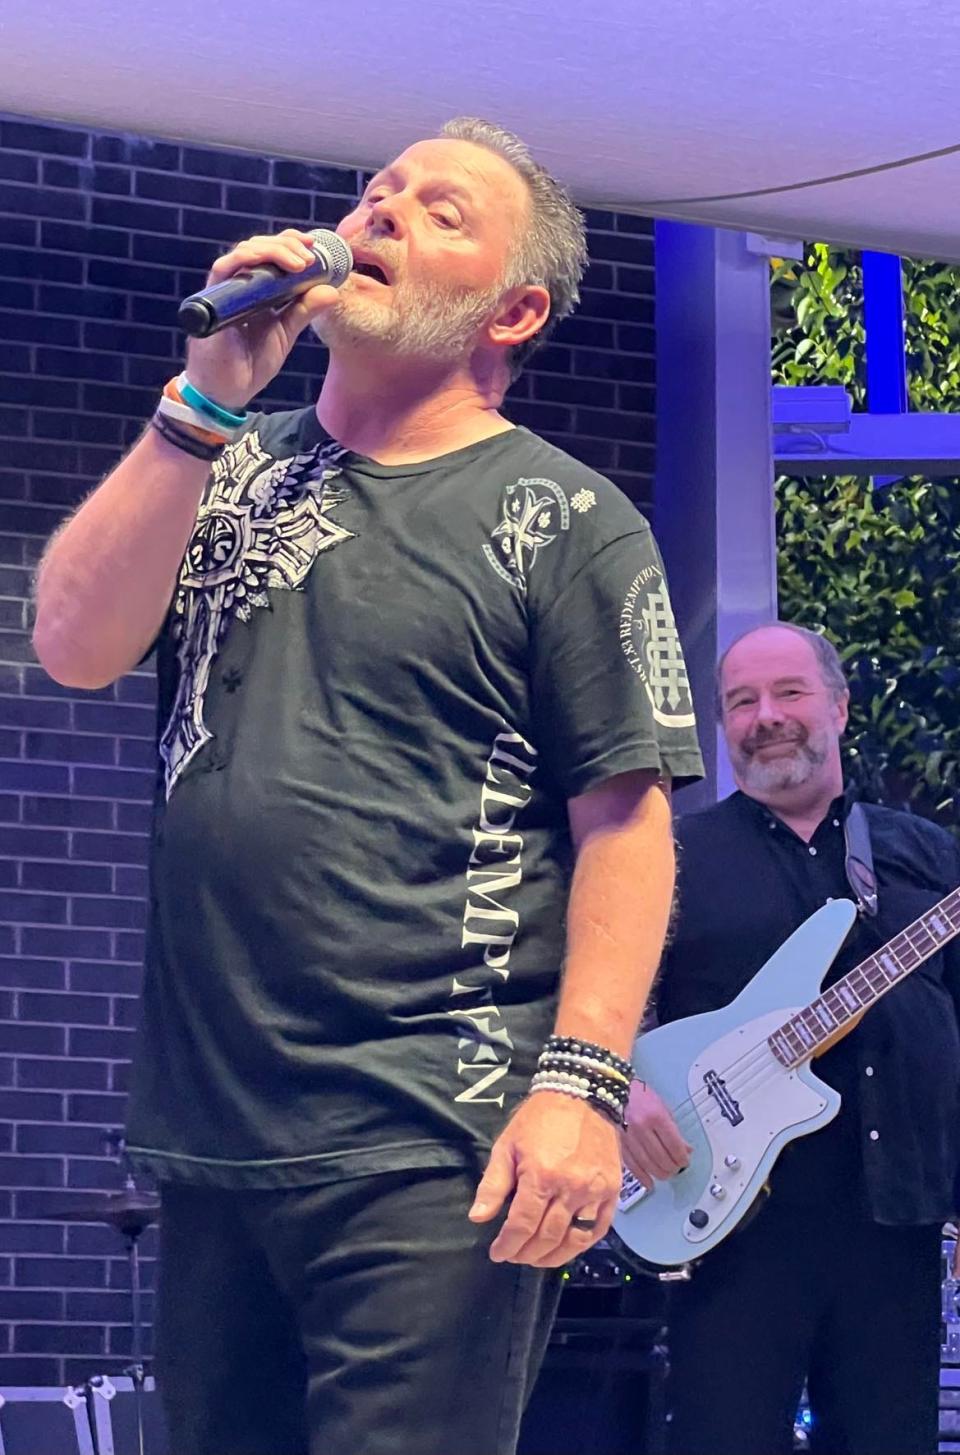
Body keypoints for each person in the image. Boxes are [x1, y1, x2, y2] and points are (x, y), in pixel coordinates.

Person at [32, 118, 703, 1455]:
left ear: (511, 308)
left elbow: (625, 817)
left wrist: (581, 1076)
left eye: (439, 211)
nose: (384, 213)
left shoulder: (564, 520)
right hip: (217, 1127)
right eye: (379, 192)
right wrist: (198, 403)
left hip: (436, 1134)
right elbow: (70, 640)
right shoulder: (227, 466)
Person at [623, 621, 960, 1455]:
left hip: (896, 1231)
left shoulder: (923, 854)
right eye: (742, 701)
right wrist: (619, 1089)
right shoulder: (672, 856)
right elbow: (605, 1002)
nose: (765, 715)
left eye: (789, 693)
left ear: (840, 709)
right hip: (733, 1236)